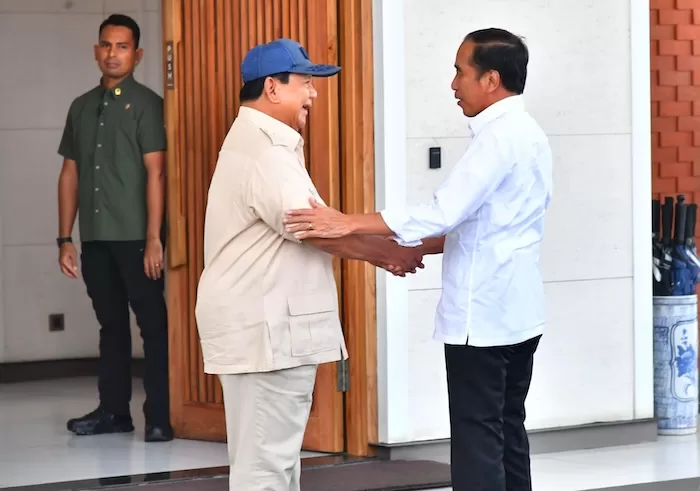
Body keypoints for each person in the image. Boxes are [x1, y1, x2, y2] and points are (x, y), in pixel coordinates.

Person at [283, 28, 553, 491]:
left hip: (482, 316)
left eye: (459, 72)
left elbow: (443, 211)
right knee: (508, 429)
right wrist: (408, 248)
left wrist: (347, 222)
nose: (453, 84)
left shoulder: (498, 138)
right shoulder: (529, 133)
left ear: (490, 79)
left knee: (478, 437)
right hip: (518, 312)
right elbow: (483, 224)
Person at [194, 38, 423, 491]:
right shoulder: (265, 150)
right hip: (268, 334)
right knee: (266, 470)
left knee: (267, 463)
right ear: (273, 89)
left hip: (264, 331)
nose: (314, 93)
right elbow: (314, 227)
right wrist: (390, 254)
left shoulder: (259, 142)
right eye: (305, 82)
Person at [56, 14, 172, 442]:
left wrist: (154, 238)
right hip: (97, 238)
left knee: (153, 326)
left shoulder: (147, 104)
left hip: (139, 239)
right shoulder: (81, 107)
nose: (112, 53)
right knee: (111, 326)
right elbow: (69, 174)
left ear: (137, 54)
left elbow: (156, 173)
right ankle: (114, 412)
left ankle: (159, 416)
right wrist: (65, 237)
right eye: (106, 45)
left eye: (122, 46)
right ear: (96, 51)